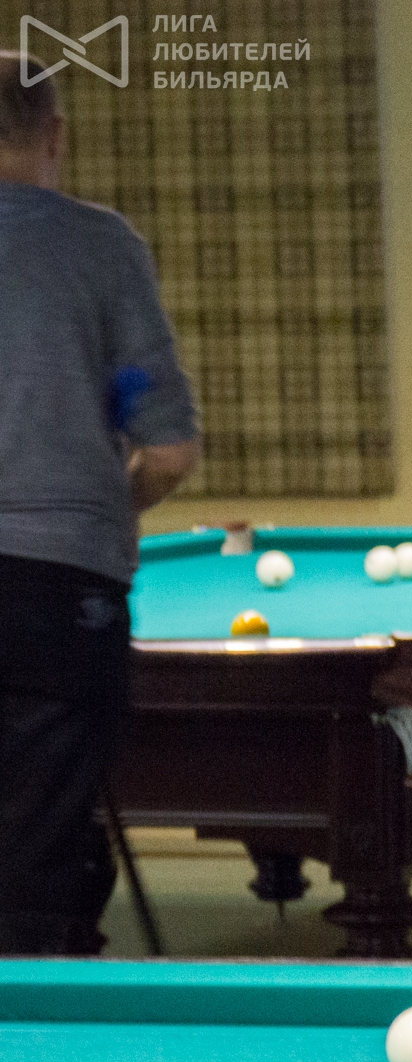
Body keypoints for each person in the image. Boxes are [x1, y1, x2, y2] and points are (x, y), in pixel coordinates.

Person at [0, 55, 201, 954]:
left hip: (58, 576)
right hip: (60, 589)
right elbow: (169, 449)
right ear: (55, 135)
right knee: (42, 865)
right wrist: (111, 510)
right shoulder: (102, 245)